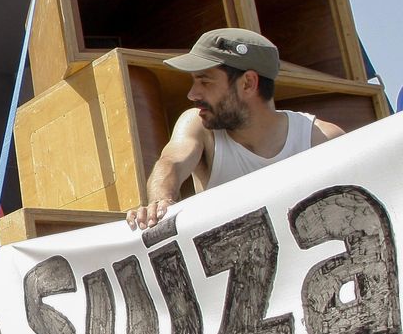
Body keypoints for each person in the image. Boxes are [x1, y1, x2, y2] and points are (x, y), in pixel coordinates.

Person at [127, 28, 344, 230]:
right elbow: (171, 163)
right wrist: (160, 203)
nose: (192, 94)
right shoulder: (198, 126)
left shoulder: (322, 140)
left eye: (204, 81)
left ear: (248, 83)